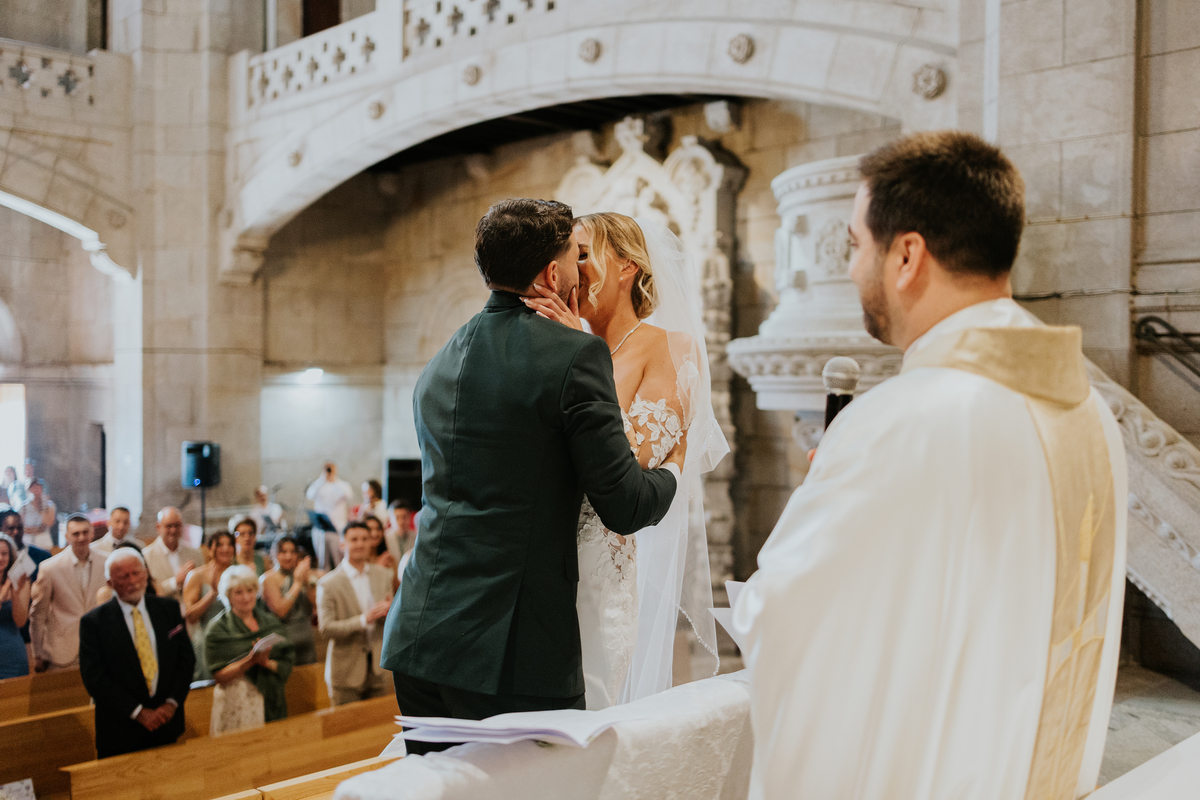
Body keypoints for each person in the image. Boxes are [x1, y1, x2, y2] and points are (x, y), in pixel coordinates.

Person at [731, 131, 1128, 800]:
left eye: (858, 245)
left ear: (907, 255)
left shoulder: (899, 421)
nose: (857, 268)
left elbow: (791, 622)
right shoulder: (1088, 412)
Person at [381, 199, 679, 753]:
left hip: (419, 635)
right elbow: (625, 505)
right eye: (575, 258)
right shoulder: (574, 357)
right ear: (550, 274)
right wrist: (675, 474)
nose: (580, 272)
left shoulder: (441, 362)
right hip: (508, 652)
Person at [528, 212, 727, 707]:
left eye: (582, 253)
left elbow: (627, 464)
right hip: (533, 567)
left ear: (627, 267)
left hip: (597, 574)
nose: (571, 268)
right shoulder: (552, 343)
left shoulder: (669, 349)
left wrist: (576, 349)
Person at [79, 549, 195, 758]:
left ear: (146, 575)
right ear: (110, 583)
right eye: (124, 576)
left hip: (166, 722)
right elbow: (95, 678)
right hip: (121, 728)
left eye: (137, 573)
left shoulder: (168, 609)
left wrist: (171, 703)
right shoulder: (95, 622)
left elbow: (185, 659)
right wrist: (138, 712)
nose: (132, 581)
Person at [205, 565, 295, 736]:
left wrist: (267, 663)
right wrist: (250, 660)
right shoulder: (218, 629)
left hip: (272, 698)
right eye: (238, 592)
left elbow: (287, 659)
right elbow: (218, 675)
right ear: (228, 596)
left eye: (250, 590)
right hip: (237, 702)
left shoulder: (270, 622)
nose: (246, 597)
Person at [317, 522, 392, 706]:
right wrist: (363, 620)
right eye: (354, 539)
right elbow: (326, 628)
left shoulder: (383, 575)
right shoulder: (328, 584)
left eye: (365, 539)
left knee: (380, 729)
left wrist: (390, 613)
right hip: (345, 671)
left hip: (379, 667)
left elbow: (390, 618)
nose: (360, 544)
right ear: (342, 544)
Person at [29, 514, 107, 672]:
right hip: (62, 652)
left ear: (92, 533)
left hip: (100, 647)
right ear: (67, 536)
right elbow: (38, 614)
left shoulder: (107, 562)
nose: (81, 537)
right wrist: (38, 653)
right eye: (76, 534)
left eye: (85, 532)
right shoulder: (50, 568)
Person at [183, 530, 236, 681]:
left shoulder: (238, 573)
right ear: (209, 549)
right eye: (219, 545)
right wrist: (212, 593)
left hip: (235, 639)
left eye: (229, 544)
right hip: (208, 641)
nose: (225, 549)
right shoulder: (197, 576)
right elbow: (191, 616)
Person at [261, 536, 316, 666]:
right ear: (273, 554)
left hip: (306, 639)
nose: (288, 556)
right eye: (283, 552)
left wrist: (307, 580)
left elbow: (315, 604)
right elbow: (280, 611)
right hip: (282, 642)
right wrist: (297, 583)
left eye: (293, 552)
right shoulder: (268, 579)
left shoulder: (302, 575)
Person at [143, 507, 203, 603]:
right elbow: (147, 592)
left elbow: (202, 586)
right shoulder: (146, 556)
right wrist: (175, 582)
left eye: (177, 525)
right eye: (169, 526)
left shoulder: (196, 553)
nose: (173, 530)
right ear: (158, 527)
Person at [305, 462, 353, 570]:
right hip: (321, 530)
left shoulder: (342, 484)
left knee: (338, 560)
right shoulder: (320, 485)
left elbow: (348, 494)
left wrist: (334, 479)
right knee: (323, 563)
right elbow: (310, 494)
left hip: (337, 528)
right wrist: (322, 478)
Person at [0, 532, 31, 678]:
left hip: (12, 653)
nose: (1, 558)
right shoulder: (9, 583)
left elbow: (20, 621)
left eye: (4, 553)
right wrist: (7, 585)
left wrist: (16, 592)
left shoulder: (21, 581)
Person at [20, 480, 57, 550]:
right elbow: (22, 527)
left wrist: (42, 504)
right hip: (27, 542)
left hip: (43, 541)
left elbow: (49, 523)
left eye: (38, 486)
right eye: (33, 486)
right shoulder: (23, 507)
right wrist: (36, 530)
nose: (36, 488)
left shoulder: (49, 505)